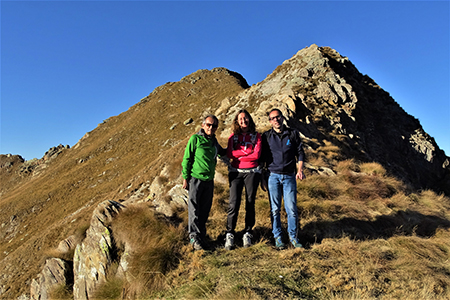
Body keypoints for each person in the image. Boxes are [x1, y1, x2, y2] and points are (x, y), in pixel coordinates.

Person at [260, 108, 306, 249]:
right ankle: (278, 237)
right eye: (273, 118)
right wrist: (262, 177)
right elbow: (262, 158)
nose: (276, 120)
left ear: (282, 117)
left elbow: (300, 153)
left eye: (278, 117)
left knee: (291, 208)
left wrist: (300, 170)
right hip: (272, 176)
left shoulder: (292, 133)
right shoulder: (266, 136)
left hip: (289, 176)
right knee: (275, 209)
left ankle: (293, 237)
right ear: (270, 121)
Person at [182, 115, 226, 250]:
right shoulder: (195, 139)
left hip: (209, 180)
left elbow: (222, 153)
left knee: (205, 210)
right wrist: (185, 178)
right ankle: (194, 238)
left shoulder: (214, 141)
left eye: (214, 126)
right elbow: (187, 159)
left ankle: (201, 237)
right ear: (203, 125)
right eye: (208, 125)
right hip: (195, 179)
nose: (211, 128)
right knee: (194, 209)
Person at [224, 110, 262, 250]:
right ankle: (230, 233)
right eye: (240, 119)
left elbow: (256, 155)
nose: (243, 121)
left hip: (252, 172)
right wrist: (247, 152)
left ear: (249, 119)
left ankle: (247, 232)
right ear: (237, 121)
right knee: (234, 203)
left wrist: (239, 154)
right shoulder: (233, 137)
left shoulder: (257, 136)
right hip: (236, 173)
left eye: (245, 118)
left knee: (250, 202)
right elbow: (229, 154)